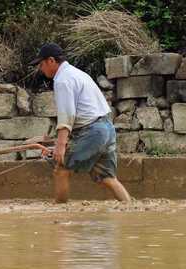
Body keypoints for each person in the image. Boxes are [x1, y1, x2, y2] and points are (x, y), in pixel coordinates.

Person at [29, 43, 131, 203]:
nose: (41, 69)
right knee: (107, 177)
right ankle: (130, 209)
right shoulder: (78, 74)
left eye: (41, 64)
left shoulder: (62, 80)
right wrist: (61, 141)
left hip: (92, 131)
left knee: (61, 170)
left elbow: (67, 116)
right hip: (106, 128)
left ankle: (60, 214)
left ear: (51, 61)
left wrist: (60, 146)